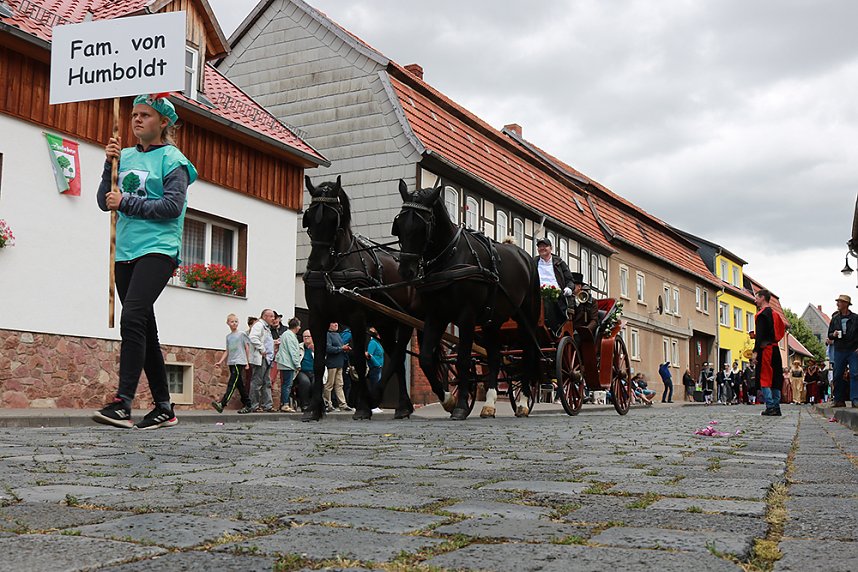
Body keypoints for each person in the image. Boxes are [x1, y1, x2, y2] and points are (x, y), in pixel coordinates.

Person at [92, 93, 197, 430]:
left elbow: (171, 208)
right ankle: (164, 407)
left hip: (158, 249)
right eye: (134, 114)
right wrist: (108, 165)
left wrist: (126, 203)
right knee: (145, 329)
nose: (136, 120)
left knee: (132, 316)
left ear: (163, 122)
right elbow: (103, 201)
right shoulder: (121, 156)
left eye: (145, 115)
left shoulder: (173, 160)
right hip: (124, 252)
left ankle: (122, 403)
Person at [752, 289, 787, 416]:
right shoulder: (775, 314)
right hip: (775, 348)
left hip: (766, 350)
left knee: (765, 378)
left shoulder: (762, 315)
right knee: (776, 377)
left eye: (756, 297)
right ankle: (776, 407)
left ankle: (770, 406)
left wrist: (755, 351)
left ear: (762, 298)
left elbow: (761, 335)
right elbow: (781, 331)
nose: (755, 300)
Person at [212, 314, 252, 414]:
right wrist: (220, 361)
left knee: (232, 383)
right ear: (228, 323)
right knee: (239, 385)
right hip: (231, 362)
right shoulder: (229, 337)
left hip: (239, 362)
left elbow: (247, 348)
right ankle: (248, 404)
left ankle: (222, 403)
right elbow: (227, 351)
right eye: (232, 322)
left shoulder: (242, 334)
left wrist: (247, 362)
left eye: (236, 321)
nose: (234, 323)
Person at [534, 237, 575, 332]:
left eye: (545, 246)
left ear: (551, 248)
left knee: (549, 301)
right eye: (540, 246)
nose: (542, 248)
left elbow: (570, 280)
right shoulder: (533, 262)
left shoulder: (559, 263)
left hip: (556, 294)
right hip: (537, 293)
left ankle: (552, 328)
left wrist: (568, 288)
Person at [826, 294, 858, 408]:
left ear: (845, 304)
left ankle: (855, 400)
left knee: (855, 374)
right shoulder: (835, 319)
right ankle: (839, 400)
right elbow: (829, 334)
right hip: (839, 350)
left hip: (853, 350)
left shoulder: (855, 318)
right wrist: (833, 335)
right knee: (837, 375)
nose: (837, 304)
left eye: (839, 302)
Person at [248, 309, 276, 412]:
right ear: (265, 316)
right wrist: (262, 349)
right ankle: (254, 405)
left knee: (266, 382)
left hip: (267, 358)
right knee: (257, 381)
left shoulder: (267, 328)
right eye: (271, 316)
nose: (273, 319)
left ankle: (267, 405)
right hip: (261, 357)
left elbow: (266, 340)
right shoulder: (259, 325)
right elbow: (253, 337)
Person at [275, 317, 302, 412]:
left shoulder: (286, 334)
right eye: (299, 325)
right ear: (296, 326)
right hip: (288, 363)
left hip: (285, 362)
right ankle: (285, 404)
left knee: (286, 384)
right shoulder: (290, 335)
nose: (299, 328)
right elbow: (293, 351)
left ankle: (284, 403)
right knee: (287, 384)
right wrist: (297, 364)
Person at [325, 322, 352, 412]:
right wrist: (341, 348)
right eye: (333, 323)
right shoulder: (328, 335)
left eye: (336, 323)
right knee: (330, 384)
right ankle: (327, 403)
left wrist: (345, 349)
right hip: (332, 363)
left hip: (339, 363)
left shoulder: (337, 335)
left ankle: (343, 404)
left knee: (339, 384)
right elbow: (328, 348)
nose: (335, 324)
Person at [569, 272, 598, 337]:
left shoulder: (591, 301)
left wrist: (586, 330)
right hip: (569, 329)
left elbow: (594, 320)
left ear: (579, 286)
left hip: (583, 331)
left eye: (573, 285)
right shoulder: (567, 299)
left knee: (577, 336)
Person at [366, 327, 385, 413]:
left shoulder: (378, 343)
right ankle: (373, 406)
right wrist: (377, 364)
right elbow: (369, 355)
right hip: (375, 367)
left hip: (378, 367)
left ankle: (375, 405)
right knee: (374, 386)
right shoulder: (373, 343)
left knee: (376, 386)